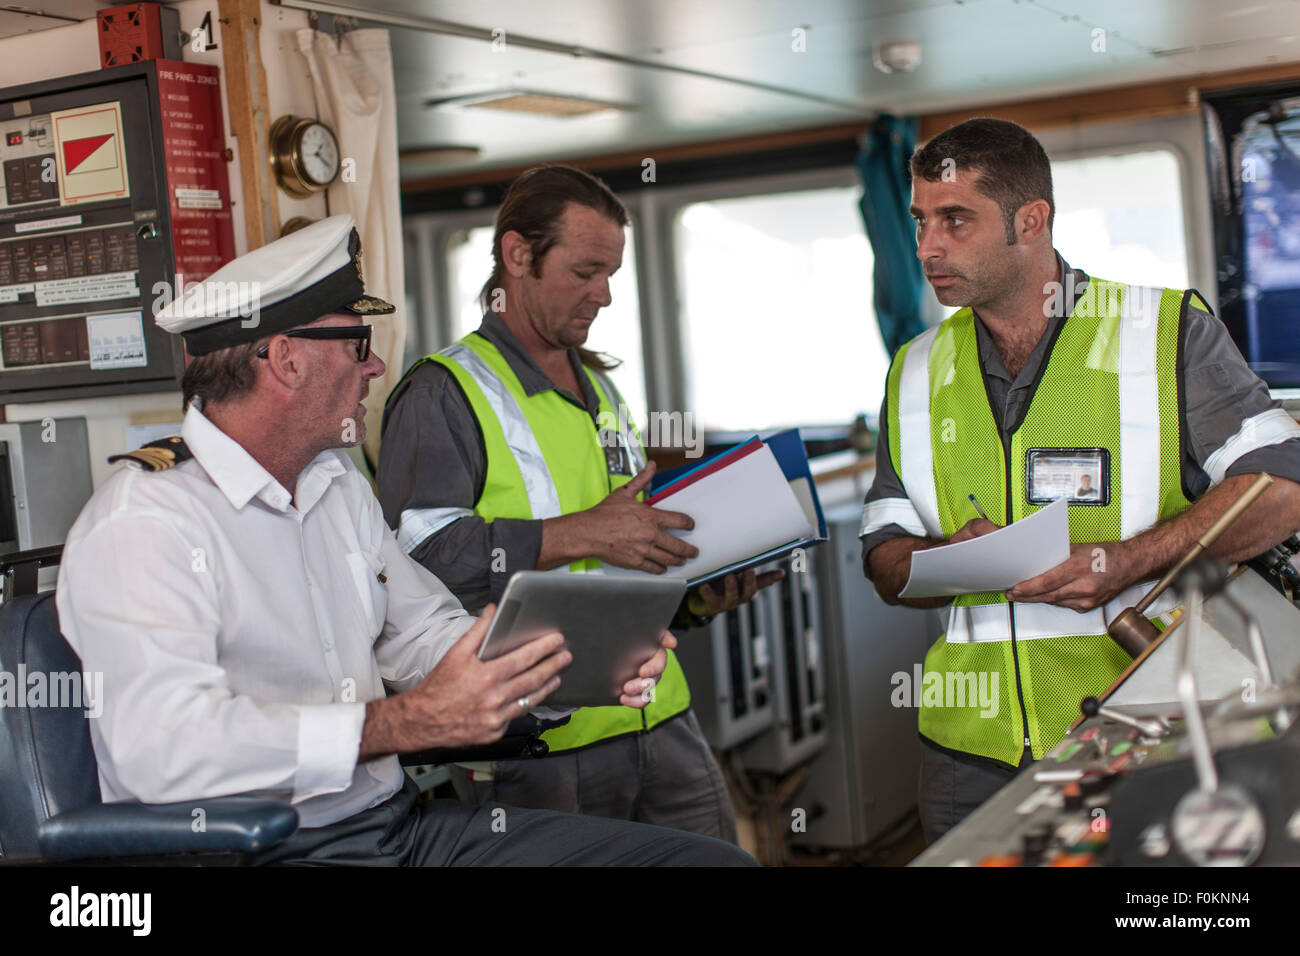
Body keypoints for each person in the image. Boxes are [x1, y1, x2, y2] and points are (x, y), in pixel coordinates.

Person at [56, 214, 753, 867]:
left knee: (706, 862)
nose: (376, 368)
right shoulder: (146, 521)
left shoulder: (336, 486)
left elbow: (424, 635)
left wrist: (561, 665)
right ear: (285, 360)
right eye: (357, 345)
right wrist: (397, 724)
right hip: (264, 849)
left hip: (397, 826)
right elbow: (164, 747)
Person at [859, 118, 1300, 843]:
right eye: (919, 220)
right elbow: (883, 552)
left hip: (1144, 719)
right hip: (965, 751)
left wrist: (1127, 559)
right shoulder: (913, 368)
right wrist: (944, 558)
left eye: (956, 219)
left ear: (1032, 221)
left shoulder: (1164, 330)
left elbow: (1282, 485)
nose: (927, 246)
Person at [378, 166, 779, 842]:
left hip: (659, 711)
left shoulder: (603, 389)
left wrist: (693, 598)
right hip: (535, 742)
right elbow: (420, 560)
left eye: (612, 274)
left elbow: (621, 554)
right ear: (517, 256)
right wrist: (580, 533)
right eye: (586, 271)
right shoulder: (444, 393)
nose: (606, 295)